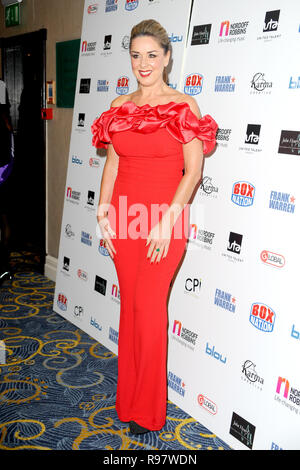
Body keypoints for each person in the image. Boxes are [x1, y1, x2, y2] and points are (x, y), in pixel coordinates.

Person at [91, 19, 217, 435]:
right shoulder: (117, 107)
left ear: (166, 57)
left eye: (151, 55)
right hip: (124, 220)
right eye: (135, 55)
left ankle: (147, 412)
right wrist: (103, 210)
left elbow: (194, 171)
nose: (143, 63)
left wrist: (166, 222)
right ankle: (127, 401)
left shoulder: (183, 106)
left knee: (148, 312)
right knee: (131, 310)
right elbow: (113, 162)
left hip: (164, 219)